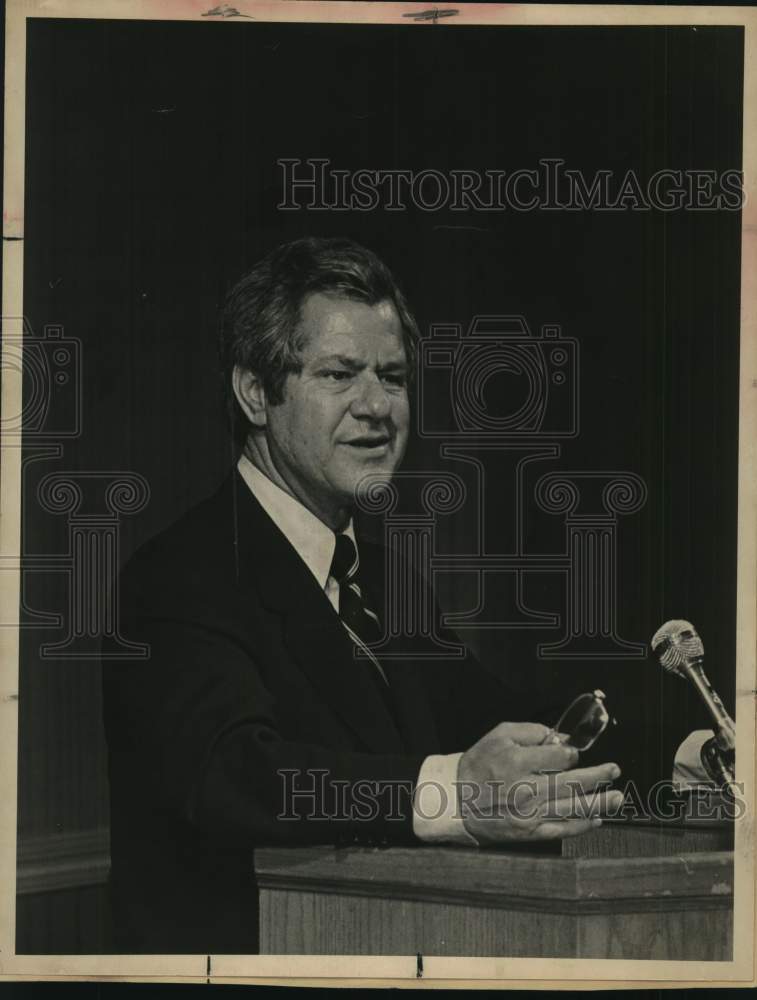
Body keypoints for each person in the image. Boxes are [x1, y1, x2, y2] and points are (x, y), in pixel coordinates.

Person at [101, 236, 706, 954]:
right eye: (339, 374)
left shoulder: (386, 581)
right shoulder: (178, 572)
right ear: (255, 392)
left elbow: (516, 729)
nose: (376, 406)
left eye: (391, 376)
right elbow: (235, 775)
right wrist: (455, 790)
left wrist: (691, 756)